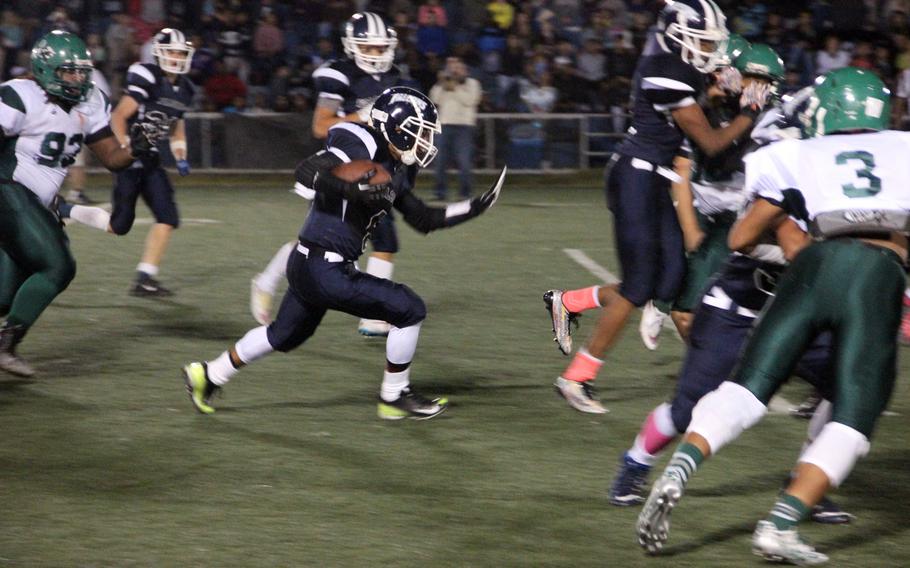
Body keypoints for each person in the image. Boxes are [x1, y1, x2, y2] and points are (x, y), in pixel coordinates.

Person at [637, 68, 905, 565]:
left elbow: (744, 235)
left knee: (747, 386)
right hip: (875, 273)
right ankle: (780, 525)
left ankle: (679, 468)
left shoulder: (797, 153)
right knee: (853, 414)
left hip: (812, 266)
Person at [184, 87, 505, 419]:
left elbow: (424, 219)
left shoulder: (395, 166)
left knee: (284, 335)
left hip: (309, 263)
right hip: (326, 266)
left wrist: (474, 207)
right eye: (419, 131)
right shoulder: (360, 142)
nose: (426, 140)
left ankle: (209, 374)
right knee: (409, 308)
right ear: (396, 128)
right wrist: (354, 189)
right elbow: (307, 172)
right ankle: (394, 396)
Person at [542, 0, 770, 414]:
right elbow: (712, 144)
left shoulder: (677, 67)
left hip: (653, 177)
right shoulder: (667, 70)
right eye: (701, 40)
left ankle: (569, 302)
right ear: (678, 37)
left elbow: (707, 89)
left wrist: (725, 87)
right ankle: (576, 378)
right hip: (636, 177)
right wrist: (751, 109)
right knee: (637, 287)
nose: (708, 50)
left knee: (670, 281)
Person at [0, 31, 158, 376]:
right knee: (58, 265)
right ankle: (6, 344)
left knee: (5, 296)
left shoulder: (91, 101)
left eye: (81, 71)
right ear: (45, 69)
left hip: (33, 206)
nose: (78, 79)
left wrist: (136, 146)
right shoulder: (19, 95)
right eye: (68, 72)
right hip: (8, 191)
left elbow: (112, 158)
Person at [250, 12, 406, 337]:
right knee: (327, 240)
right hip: (340, 166)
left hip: (373, 168)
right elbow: (320, 126)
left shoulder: (392, 76)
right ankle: (268, 280)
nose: (376, 55)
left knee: (378, 239)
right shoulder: (339, 75)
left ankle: (372, 317)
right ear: (352, 45)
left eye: (381, 48)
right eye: (369, 47)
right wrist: (360, 116)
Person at [109, 28, 195, 297]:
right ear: (159, 53)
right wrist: (125, 147)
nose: (177, 57)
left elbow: (176, 126)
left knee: (168, 217)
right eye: (171, 52)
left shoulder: (186, 89)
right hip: (131, 156)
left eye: (181, 52)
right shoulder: (147, 75)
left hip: (151, 159)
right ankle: (66, 211)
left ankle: (145, 278)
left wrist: (180, 155)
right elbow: (119, 116)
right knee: (119, 225)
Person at [429, 56, 482, 200]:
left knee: (464, 162)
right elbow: (435, 99)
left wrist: (455, 87)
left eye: (459, 68)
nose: (456, 71)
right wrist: (441, 84)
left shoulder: (472, 84)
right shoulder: (444, 84)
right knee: (440, 161)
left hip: (464, 127)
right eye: (453, 69)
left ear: (465, 71)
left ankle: (465, 193)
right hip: (444, 125)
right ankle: (440, 192)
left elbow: (470, 101)